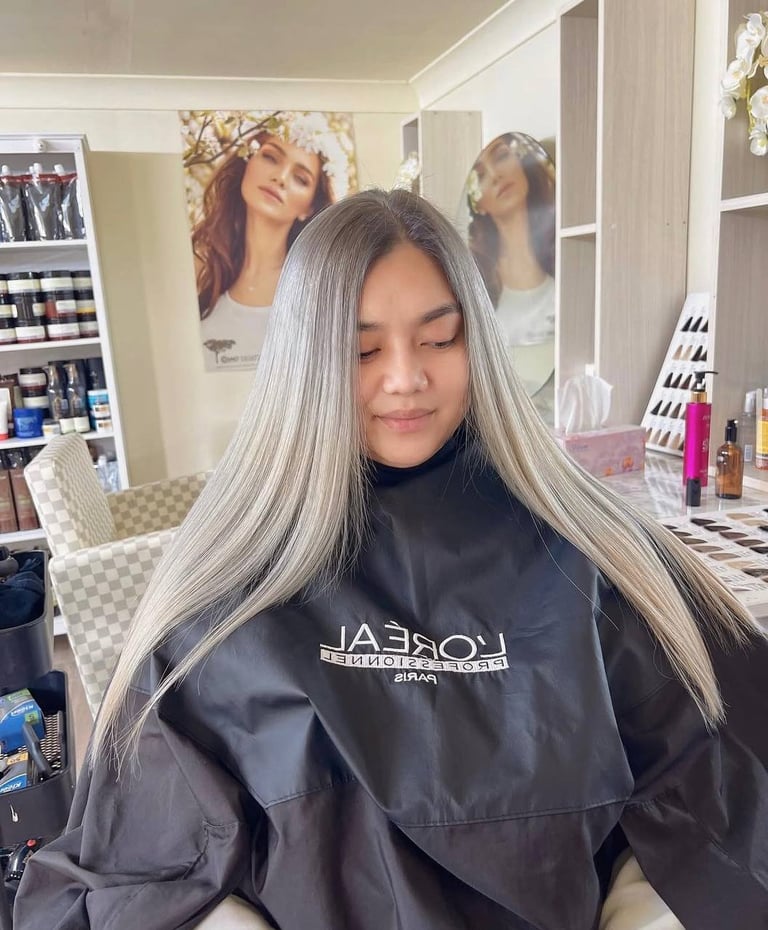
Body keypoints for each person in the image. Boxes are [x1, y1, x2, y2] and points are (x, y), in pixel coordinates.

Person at [14, 190, 768, 929]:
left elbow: (708, 795)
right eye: (363, 349)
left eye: (439, 339)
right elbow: (139, 873)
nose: (406, 377)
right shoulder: (224, 596)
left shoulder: (597, 557)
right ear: (307, 362)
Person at [193, 120, 338, 370]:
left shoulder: (318, 288)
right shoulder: (201, 266)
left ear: (309, 207)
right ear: (247, 163)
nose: (280, 178)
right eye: (271, 158)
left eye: (300, 179)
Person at [467, 132, 556, 413]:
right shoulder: (478, 293)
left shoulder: (563, 290)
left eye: (502, 156)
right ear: (477, 203)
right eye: (481, 175)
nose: (495, 176)